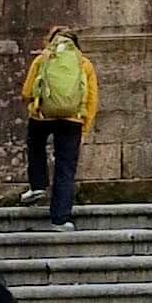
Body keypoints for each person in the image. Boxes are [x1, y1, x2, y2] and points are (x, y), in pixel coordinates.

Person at [20, 25, 97, 223]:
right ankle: (60, 219)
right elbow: (91, 100)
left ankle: (37, 185)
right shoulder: (84, 64)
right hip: (72, 120)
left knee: (35, 145)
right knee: (65, 168)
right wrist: (84, 127)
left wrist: (35, 105)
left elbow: (27, 92)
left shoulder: (43, 59)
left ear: (51, 41)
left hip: (42, 117)